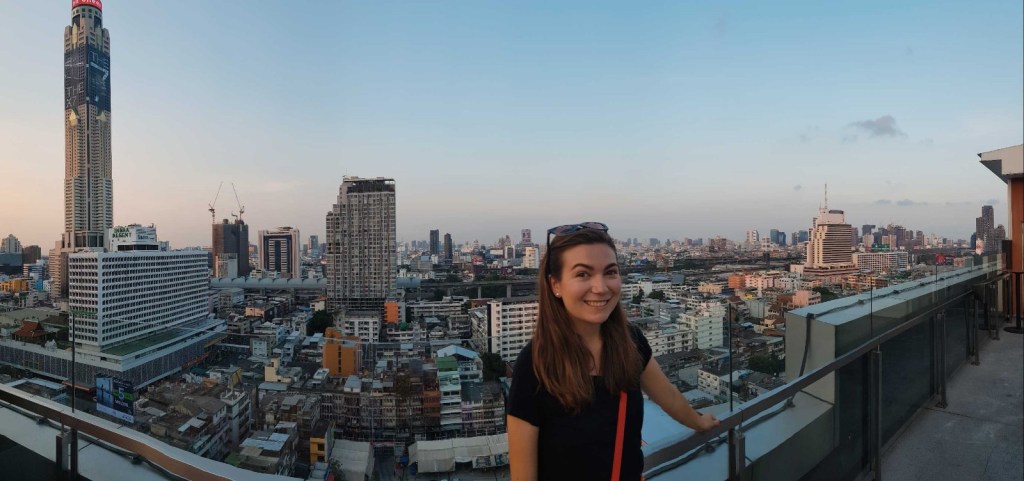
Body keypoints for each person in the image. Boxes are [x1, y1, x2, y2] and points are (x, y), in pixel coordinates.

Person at [507, 222, 720, 481]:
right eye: (583, 274)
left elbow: (669, 398)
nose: (600, 287)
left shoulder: (629, 342)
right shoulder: (535, 364)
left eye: (610, 272)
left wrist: (700, 422)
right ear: (555, 285)